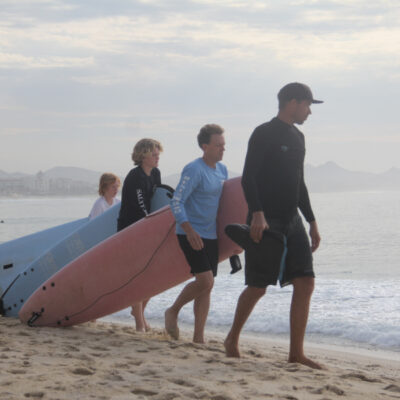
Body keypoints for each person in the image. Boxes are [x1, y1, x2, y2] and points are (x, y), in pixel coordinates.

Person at [224, 82, 323, 369]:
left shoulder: (298, 137)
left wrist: (312, 221)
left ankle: (296, 353)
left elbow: (298, 182)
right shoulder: (263, 133)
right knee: (258, 286)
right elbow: (248, 178)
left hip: (292, 219)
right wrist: (257, 213)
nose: (309, 112)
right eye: (307, 105)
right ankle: (231, 339)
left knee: (306, 282)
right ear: (293, 102)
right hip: (265, 220)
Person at [165, 124, 228, 344]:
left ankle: (198, 337)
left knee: (207, 287)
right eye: (218, 145)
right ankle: (172, 311)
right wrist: (189, 230)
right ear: (205, 146)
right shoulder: (193, 169)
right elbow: (177, 201)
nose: (223, 149)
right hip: (190, 233)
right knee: (205, 281)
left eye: (223, 145)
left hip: (211, 235)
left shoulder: (222, 171)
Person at [117, 138, 163, 332]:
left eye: (158, 153)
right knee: (138, 275)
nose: (157, 157)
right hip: (130, 229)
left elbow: (158, 199)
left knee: (151, 276)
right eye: (154, 154)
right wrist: (152, 225)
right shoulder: (134, 176)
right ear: (143, 156)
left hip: (147, 227)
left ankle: (139, 313)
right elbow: (141, 204)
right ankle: (139, 322)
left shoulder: (156, 173)